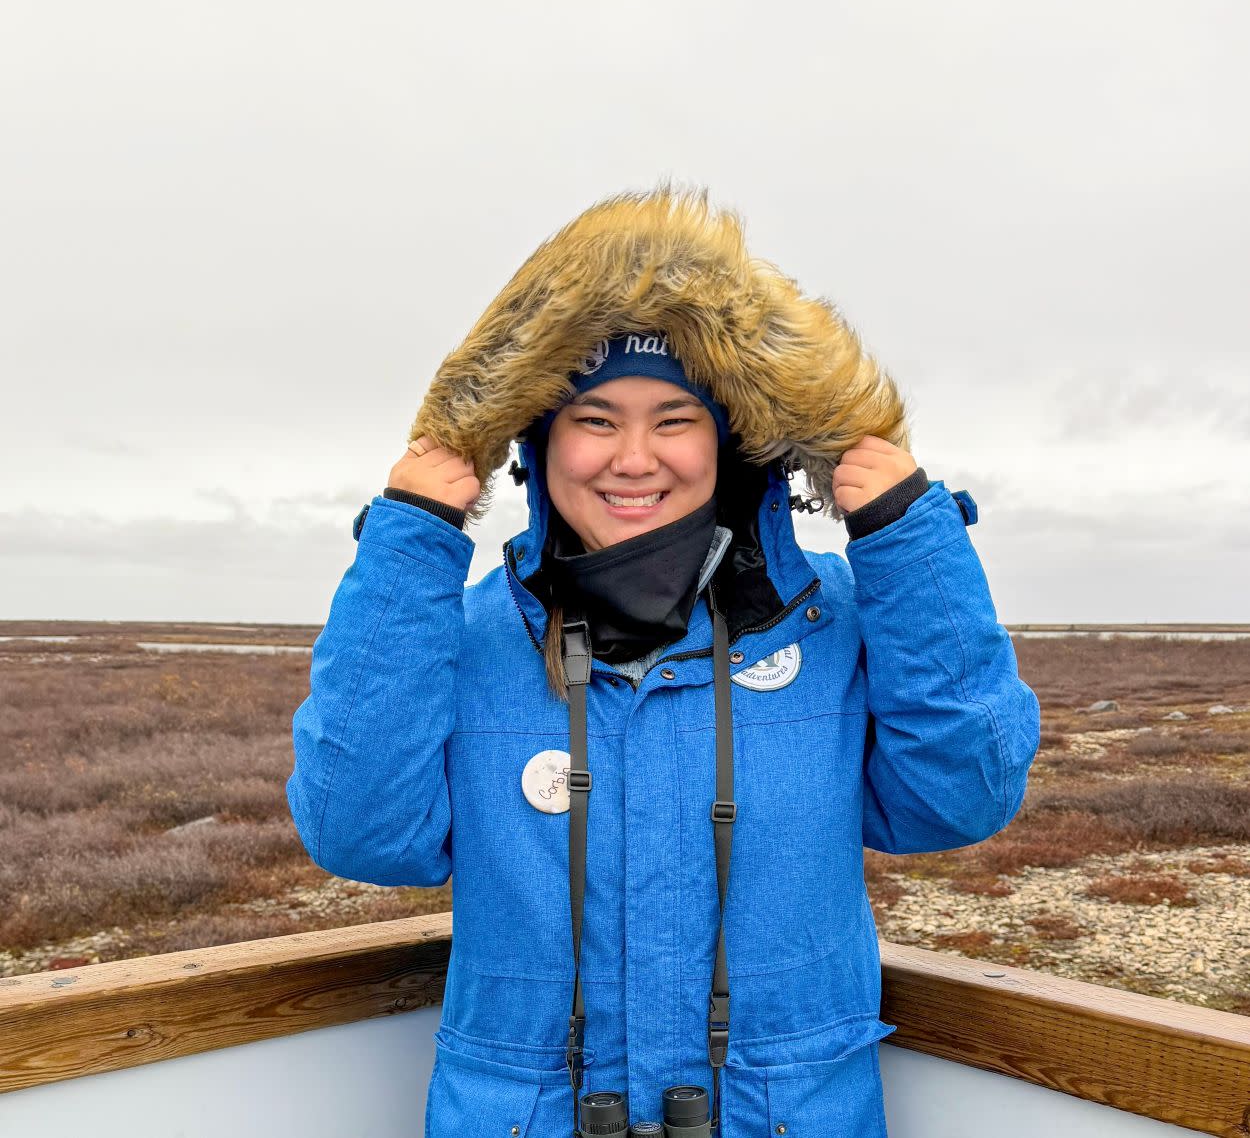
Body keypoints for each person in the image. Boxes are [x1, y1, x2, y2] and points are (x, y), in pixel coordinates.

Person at [287, 185, 1041, 1138]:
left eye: (674, 420)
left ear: (729, 446)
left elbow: (958, 800)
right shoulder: (469, 638)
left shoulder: (832, 625)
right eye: (595, 419)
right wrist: (406, 539)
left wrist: (909, 540)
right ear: (537, 444)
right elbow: (363, 834)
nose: (633, 458)